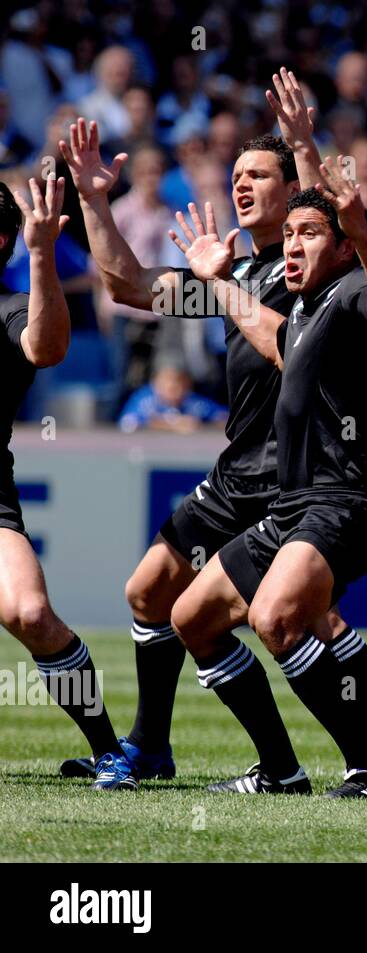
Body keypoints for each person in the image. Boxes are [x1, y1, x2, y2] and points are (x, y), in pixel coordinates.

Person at [60, 89, 367, 790]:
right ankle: (155, 748)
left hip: (301, 478)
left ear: (296, 201)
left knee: (303, 615)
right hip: (238, 474)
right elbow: (130, 286)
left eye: (260, 177)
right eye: (238, 176)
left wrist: (306, 143)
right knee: (153, 592)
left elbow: (301, 342)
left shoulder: (314, 276)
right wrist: (97, 201)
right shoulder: (243, 269)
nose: (242, 185)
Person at [165, 157, 367, 799]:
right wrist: (220, 281)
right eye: (291, 234)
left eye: (310, 233)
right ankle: (280, 770)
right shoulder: (306, 312)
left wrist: (366, 233)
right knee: (191, 617)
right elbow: (269, 336)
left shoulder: (356, 291)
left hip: (345, 504)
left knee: (276, 618)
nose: (292, 245)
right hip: (292, 507)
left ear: (340, 246)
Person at [0, 174, 137, 789]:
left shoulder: (9, 310)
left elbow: (47, 348)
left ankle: (110, 751)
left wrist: (39, 253)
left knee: (31, 613)